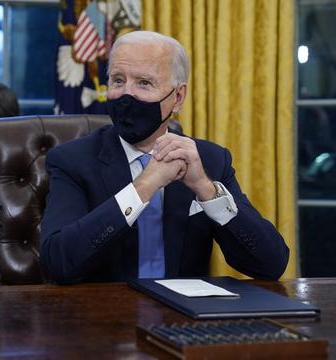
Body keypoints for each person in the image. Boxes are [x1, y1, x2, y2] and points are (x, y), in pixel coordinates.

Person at [40, 31, 289, 284]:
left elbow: (271, 265)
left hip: (183, 317)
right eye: (117, 80)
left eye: (144, 83)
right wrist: (142, 188)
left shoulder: (210, 160)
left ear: (177, 97)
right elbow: (57, 262)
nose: (127, 94)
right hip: (105, 315)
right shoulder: (72, 160)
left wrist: (205, 189)